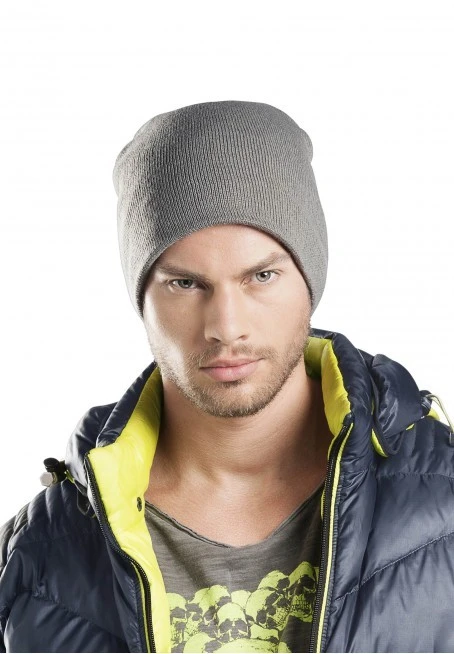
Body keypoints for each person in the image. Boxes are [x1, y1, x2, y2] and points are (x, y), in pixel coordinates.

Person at [0, 100, 453, 654]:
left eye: (261, 276)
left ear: (309, 279)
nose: (225, 326)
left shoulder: (444, 500)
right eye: (185, 283)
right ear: (142, 299)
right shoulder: (39, 558)